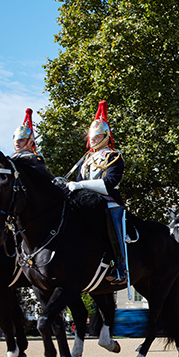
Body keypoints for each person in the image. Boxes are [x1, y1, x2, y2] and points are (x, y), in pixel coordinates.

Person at [66, 101, 127, 285]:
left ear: (106, 137)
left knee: (113, 227)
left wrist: (81, 186)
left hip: (108, 201)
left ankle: (119, 267)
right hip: (86, 201)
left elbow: (109, 183)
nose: (92, 139)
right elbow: (77, 181)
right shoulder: (86, 159)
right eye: (91, 136)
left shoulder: (113, 156)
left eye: (97, 135)